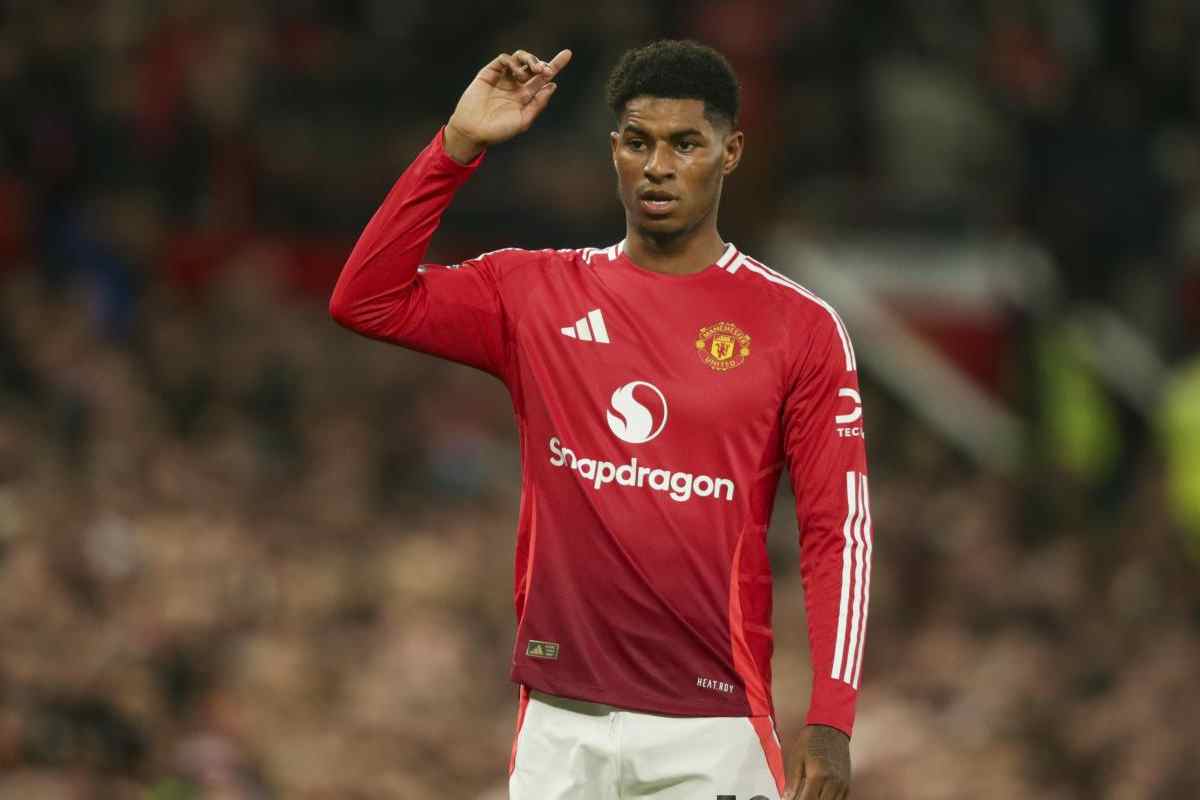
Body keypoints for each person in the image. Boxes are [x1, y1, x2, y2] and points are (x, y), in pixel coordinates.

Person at [330, 40, 872, 800]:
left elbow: (837, 531)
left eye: (686, 144)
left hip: (713, 730)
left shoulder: (799, 326)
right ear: (614, 149)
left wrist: (832, 719)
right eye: (639, 142)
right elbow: (366, 300)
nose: (658, 166)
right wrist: (457, 146)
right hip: (560, 726)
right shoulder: (535, 292)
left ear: (730, 152)